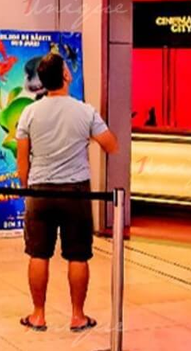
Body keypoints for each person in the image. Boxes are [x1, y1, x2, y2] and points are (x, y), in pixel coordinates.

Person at [15, 53, 118, 332]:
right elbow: (111, 145)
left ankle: (38, 315)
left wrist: (27, 188)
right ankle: (77, 316)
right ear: (66, 76)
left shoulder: (29, 113)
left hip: (40, 190)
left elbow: (22, 161)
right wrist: (86, 137)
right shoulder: (85, 111)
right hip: (76, 192)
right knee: (78, 254)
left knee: (38, 253)